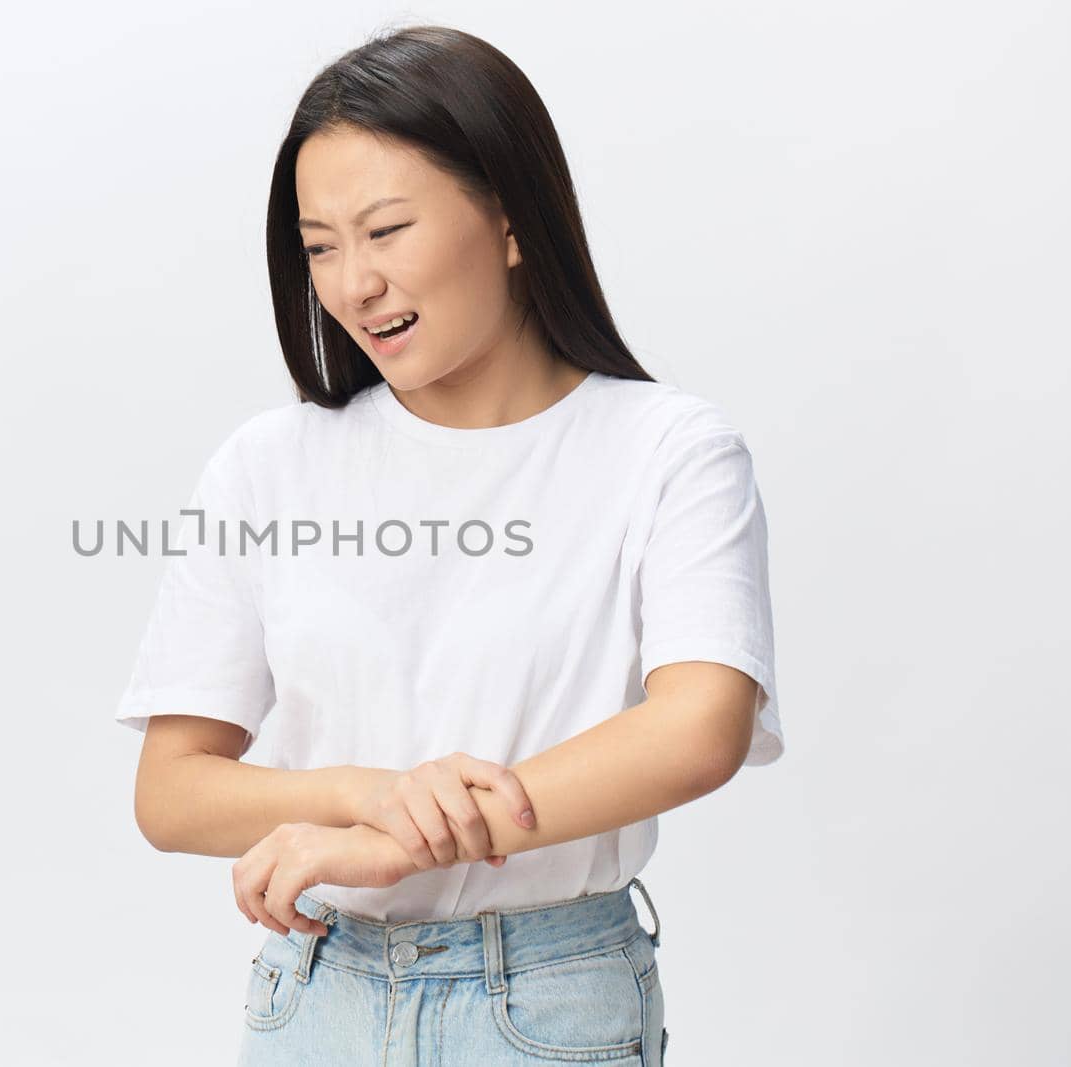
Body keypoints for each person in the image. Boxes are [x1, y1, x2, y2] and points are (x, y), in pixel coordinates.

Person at [114, 24, 782, 1066]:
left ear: (510, 221)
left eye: (385, 230)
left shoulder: (666, 449)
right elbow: (172, 789)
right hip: (314, 996)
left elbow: (698, 725)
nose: (351, 284)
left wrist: (398, 841)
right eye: (320, 244)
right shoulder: (270, 464)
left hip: (546, 1004)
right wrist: (362, 793)